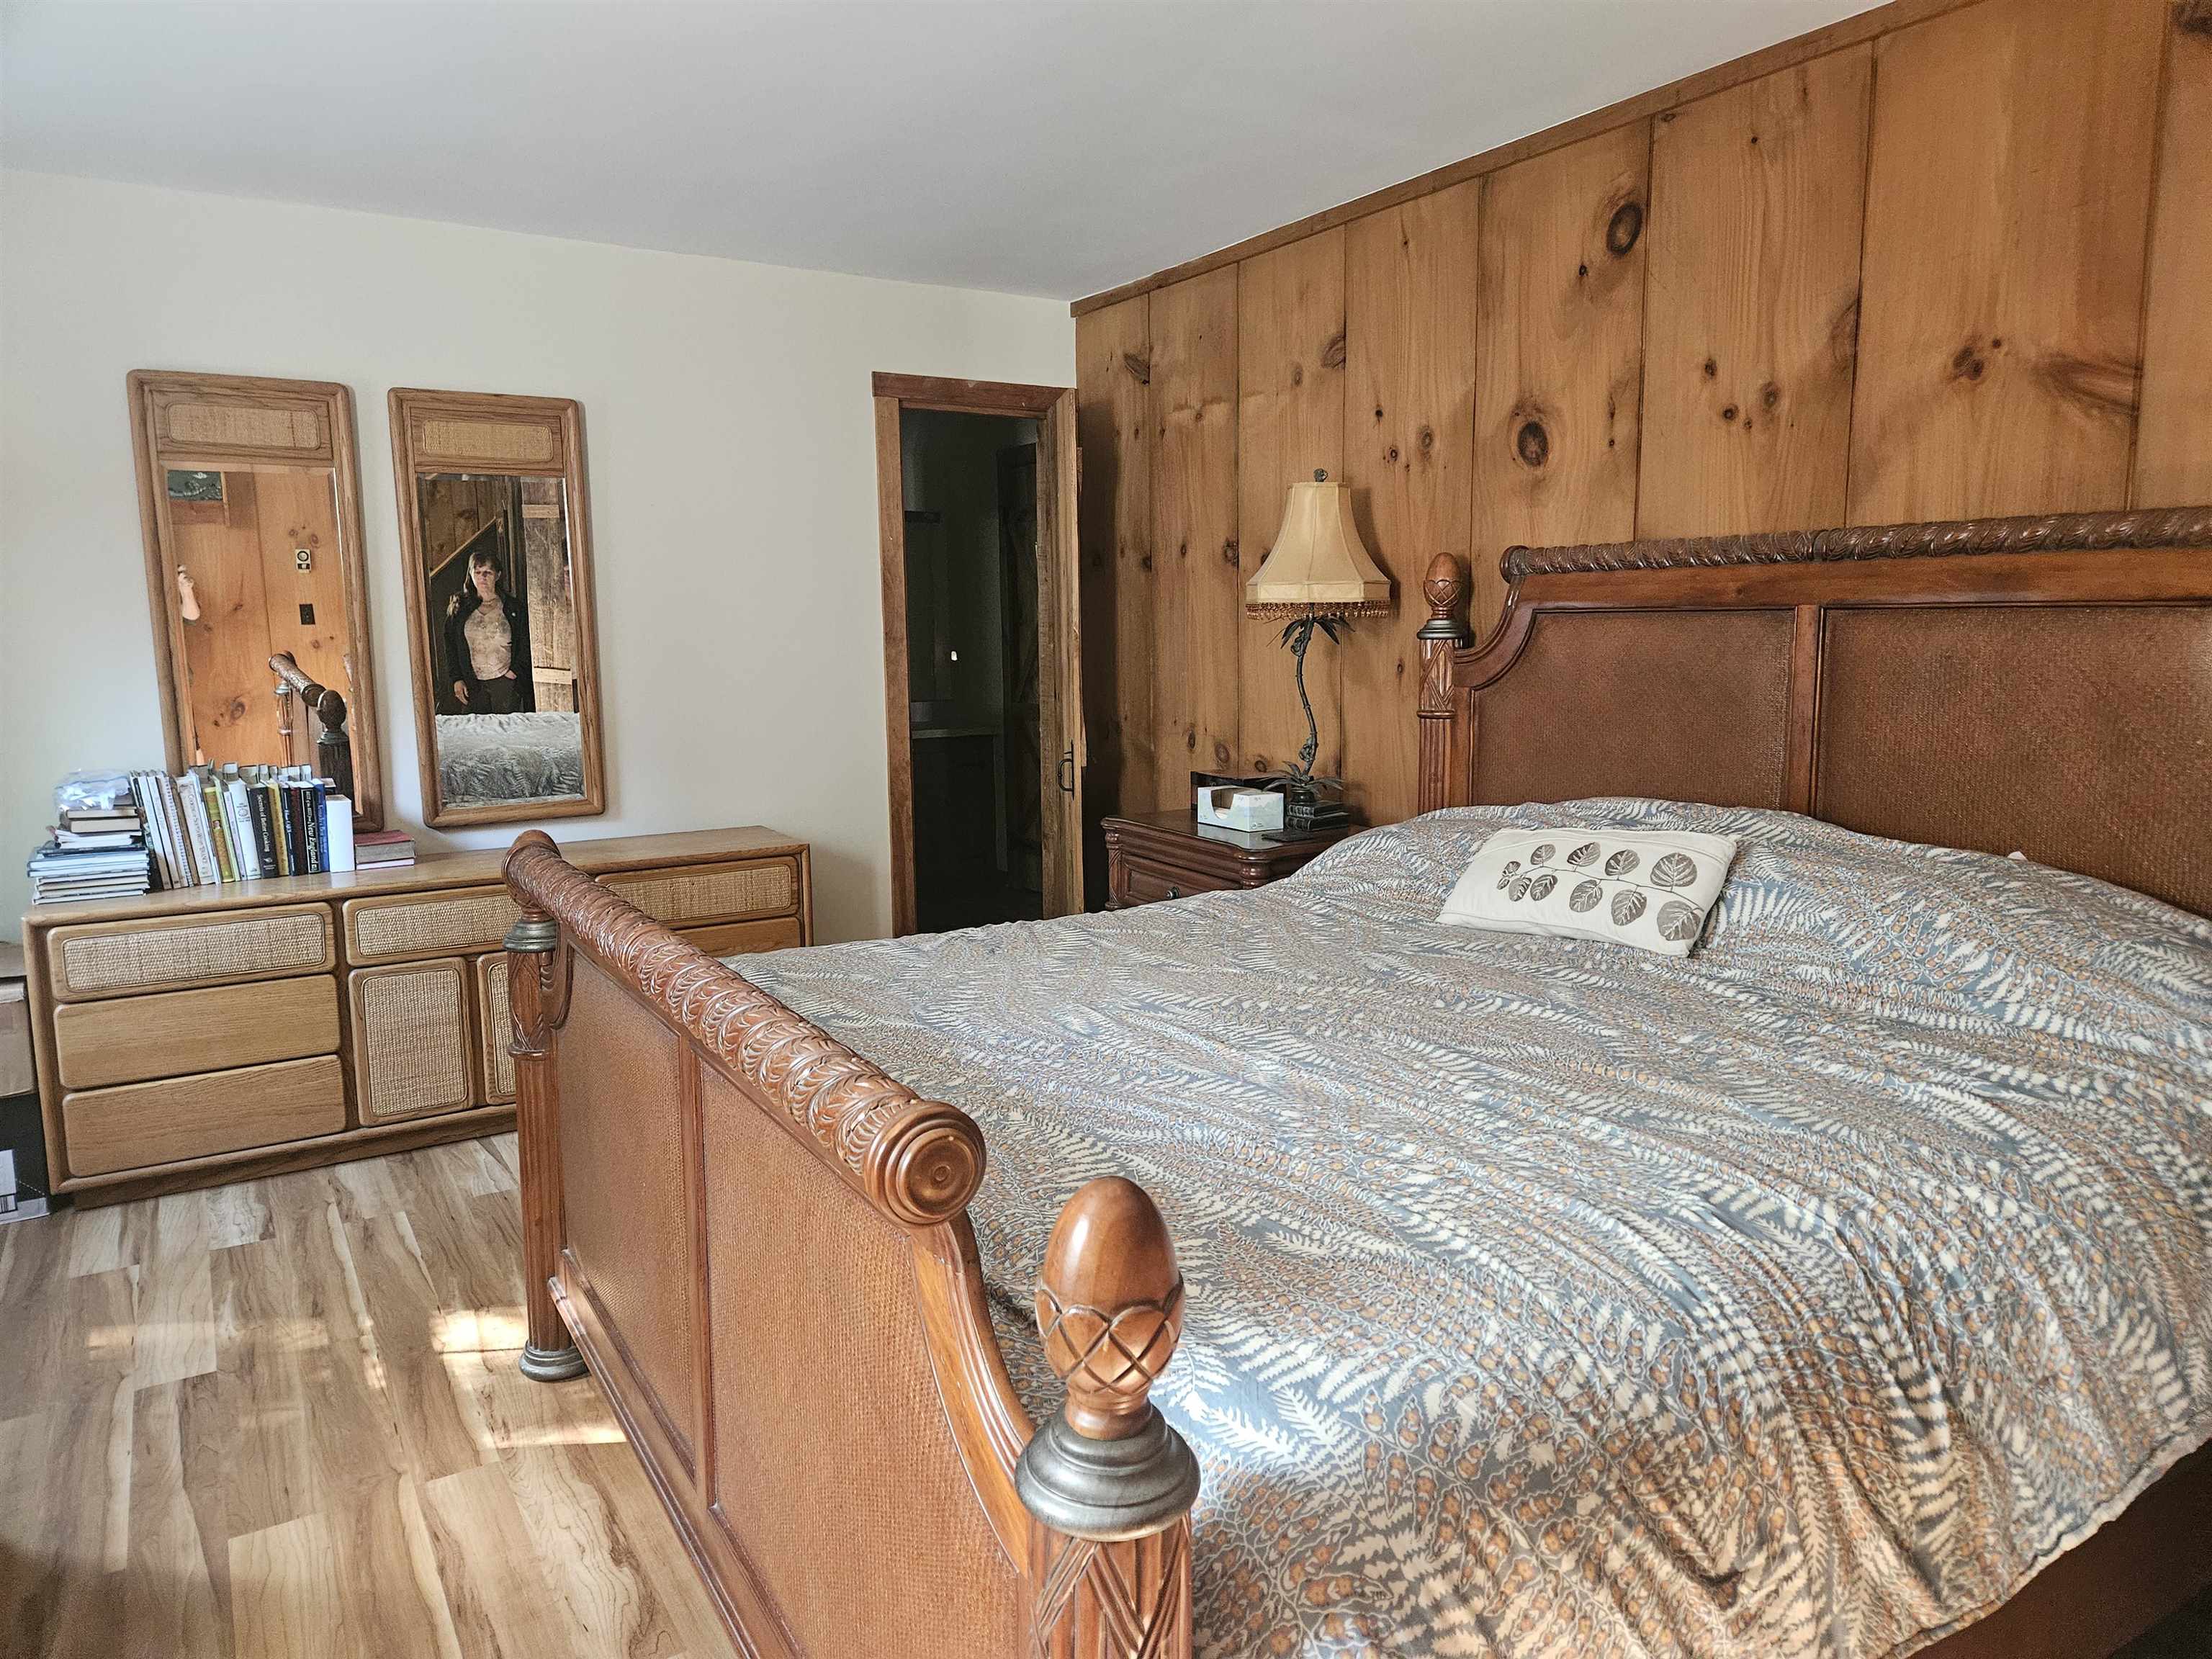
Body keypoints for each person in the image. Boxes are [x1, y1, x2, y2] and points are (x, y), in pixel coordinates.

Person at [442, 544, 536, 715]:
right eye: (477, 572)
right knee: (476, 728)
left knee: (507, 727)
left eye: (488, 572)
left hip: (505, 681)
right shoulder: (459, 608)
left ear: (497, 575)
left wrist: (514, 672)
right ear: (471, 574)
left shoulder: (513, 607)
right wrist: (457, 679)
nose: (482, 577)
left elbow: (526, 641)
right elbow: (451, 646)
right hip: (473, 683)